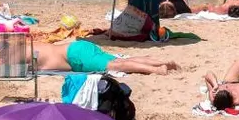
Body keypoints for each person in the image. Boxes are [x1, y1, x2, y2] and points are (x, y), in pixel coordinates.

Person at [31, 39, 180, 76]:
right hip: (77, 47)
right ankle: (162, 62)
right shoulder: (31, 44)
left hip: (75, 57)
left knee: (116, 66)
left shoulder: (26, 55)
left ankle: (157, 70)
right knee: (120, 61)